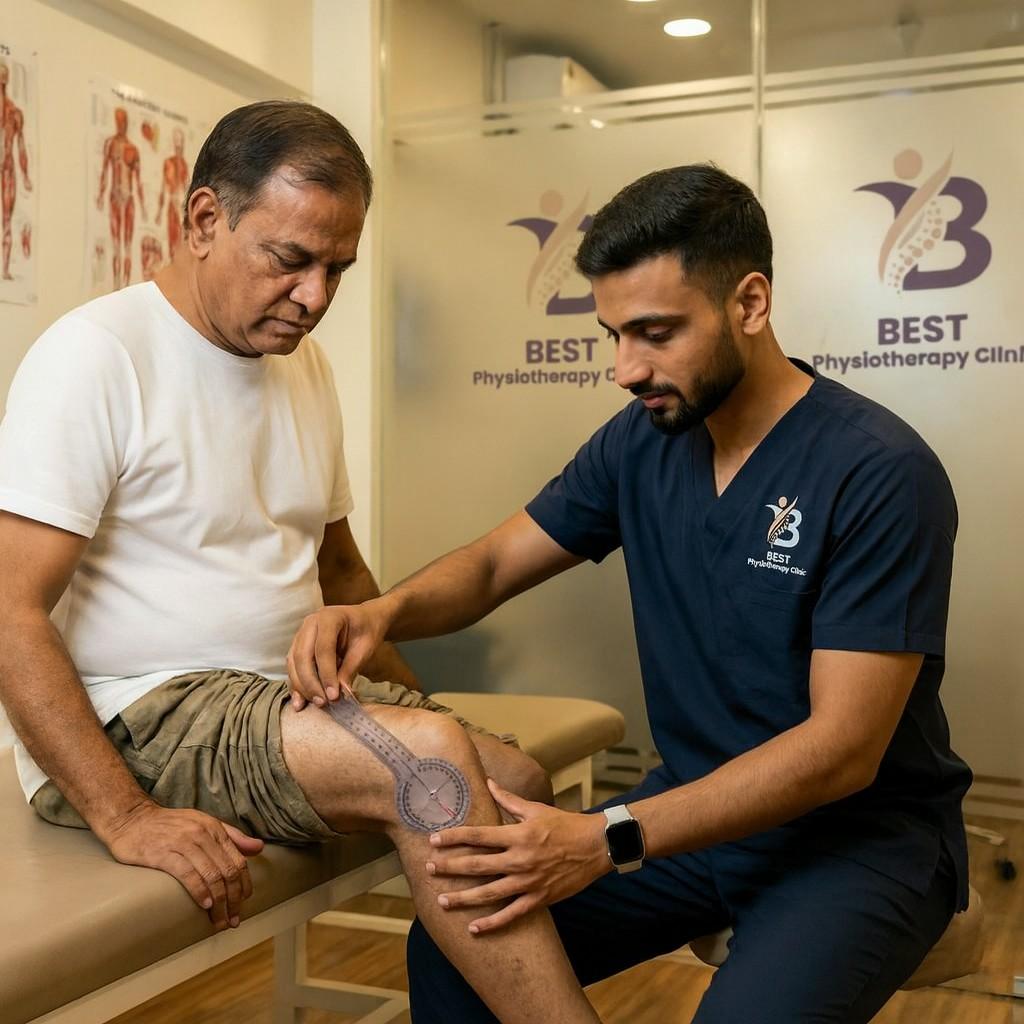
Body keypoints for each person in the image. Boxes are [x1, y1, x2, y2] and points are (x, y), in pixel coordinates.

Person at [289, 164, 973, 1023]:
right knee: (465, 943)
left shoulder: (877, 473)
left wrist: (607, 837)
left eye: (654, 332)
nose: (624, 368)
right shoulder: (642, 442)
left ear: (750, 304)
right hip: (690, 809)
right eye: (613, 333)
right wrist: (380, 610)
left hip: (855, 841)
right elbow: (497, 564)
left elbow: (841, 750)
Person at [0, 100, 604, 1024]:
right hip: (144, 706)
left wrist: (429, 713)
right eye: (290, 260)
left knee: (511, 785)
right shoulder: (96, 358)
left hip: (289, 695)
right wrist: (126, 818)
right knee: (432, 769)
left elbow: (345, 580)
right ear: (205, 220)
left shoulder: (301, 366)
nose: (315, 298)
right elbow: (9, 609)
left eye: (337, 269)